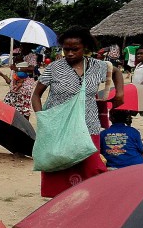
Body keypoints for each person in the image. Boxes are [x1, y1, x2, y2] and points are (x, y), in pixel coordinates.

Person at [32, 26, 125, 198]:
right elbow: (36, 95)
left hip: (87, 125)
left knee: (92, 166)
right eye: (66, 49)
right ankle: (58, 203)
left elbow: (117, 72)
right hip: (58, 125)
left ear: (85, 48)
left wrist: (120, 92)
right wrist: (42, 118)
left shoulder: (97, 66)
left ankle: (92, 200)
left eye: (75, 49)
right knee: (57, 164)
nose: (69, 53)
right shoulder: (54, 68)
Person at [4, 47, 37, 119]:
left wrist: (17, 68)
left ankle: (25, 126)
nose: (21, 47)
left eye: (23, 45)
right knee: (13, 103)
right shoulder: (21, 55)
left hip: (25, 84)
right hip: (17, 82)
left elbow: (31, 69)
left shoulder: (31, 56)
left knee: (23, 106)